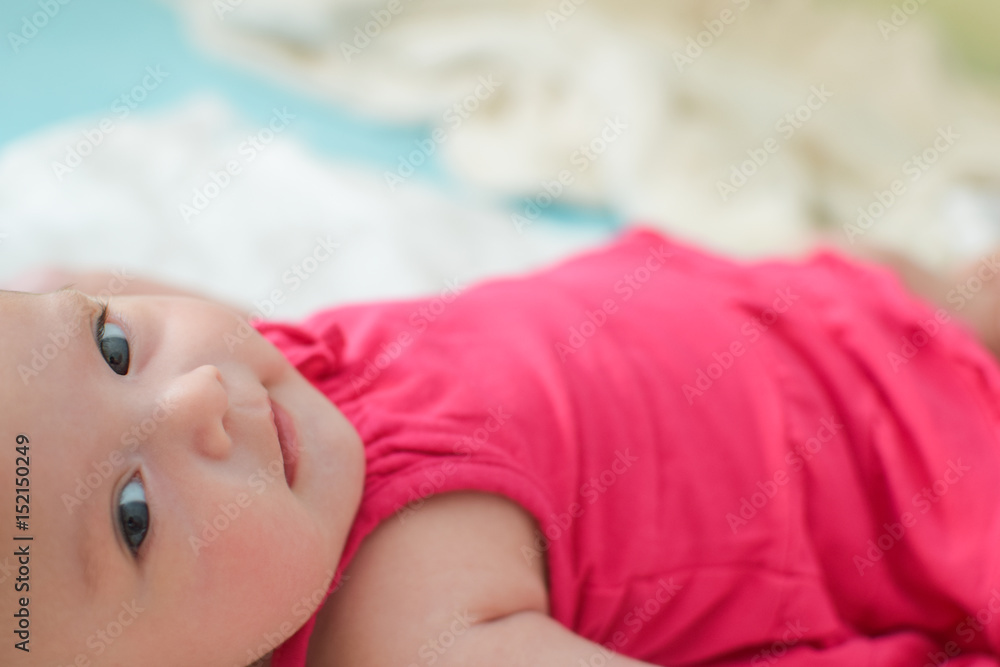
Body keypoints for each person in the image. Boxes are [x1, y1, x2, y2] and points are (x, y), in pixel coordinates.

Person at [4, 225, 1000, 667]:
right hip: (903, 471)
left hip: (784, 315)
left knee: (928, 277)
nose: (198, 399)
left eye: (114, 341)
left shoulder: (270, 409)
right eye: (132, 514)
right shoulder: (402, 629)